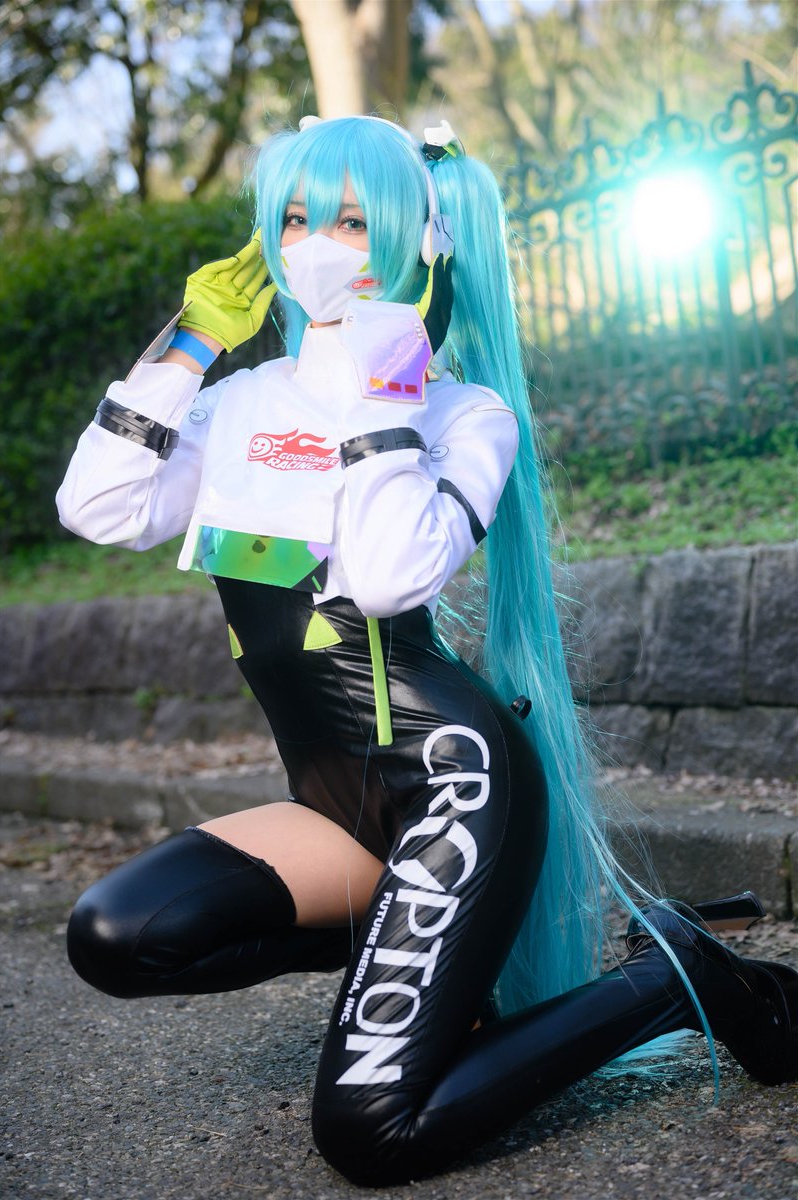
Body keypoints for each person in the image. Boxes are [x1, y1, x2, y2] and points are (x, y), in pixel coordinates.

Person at [57, 115, 796, 1186]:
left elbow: (388, 577)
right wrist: (190, 343)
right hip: (330, 805)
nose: (317, 245)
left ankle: (678, 975)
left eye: (354, 223)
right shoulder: (237, 403)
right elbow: (99, 505)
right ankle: (434, 961)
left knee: (372, 1132)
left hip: (454, 785)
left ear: (421, 244)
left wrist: (389, 380)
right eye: (296, 219)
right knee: (117, 934)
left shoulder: (465, 413)